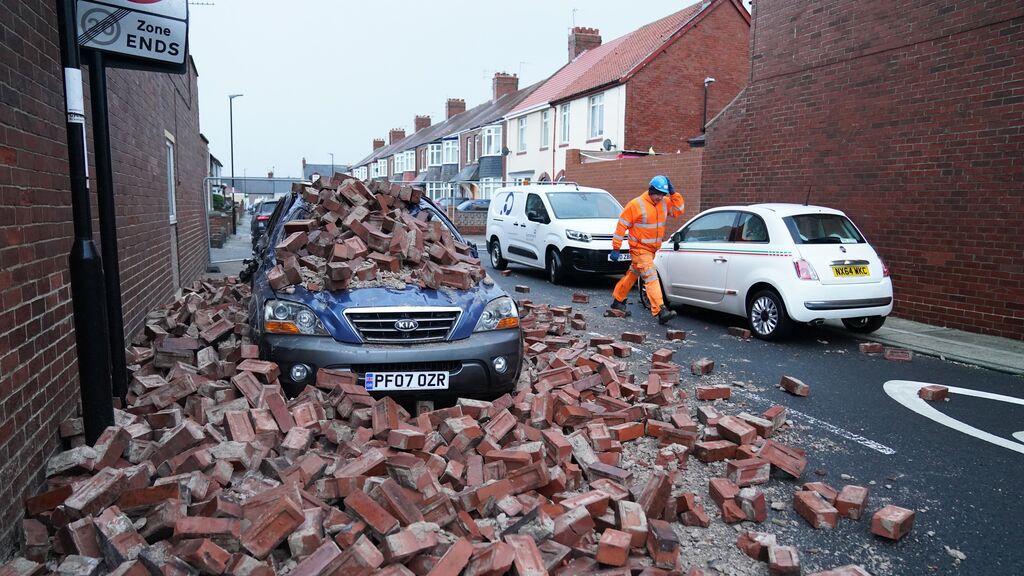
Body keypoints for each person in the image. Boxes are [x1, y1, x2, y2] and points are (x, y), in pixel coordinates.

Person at [609, 175, 684, 324]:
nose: (660, 197)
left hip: (652, 250)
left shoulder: (665, 203)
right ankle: (660, 310)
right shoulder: (636, 204)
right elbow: (621, 226)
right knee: (651, 276)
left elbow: (678, 211)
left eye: (663, 194)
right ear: (651, 190)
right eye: (658, 194)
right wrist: (616, 248)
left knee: (632, 274)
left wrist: (674, 194)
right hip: (639, 249)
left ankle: (618, 300)